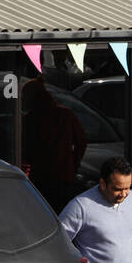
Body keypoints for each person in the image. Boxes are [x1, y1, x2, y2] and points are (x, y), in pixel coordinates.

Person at [58, 156, 132, 263]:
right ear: (103, 184)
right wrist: (78, 259)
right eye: (117, 189)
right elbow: (58, 241)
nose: (124, 194)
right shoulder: (80, 206)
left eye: (127, 188)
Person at [22, 78, 87, 212]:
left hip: (40, 176)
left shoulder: (30, 119)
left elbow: (26, 149)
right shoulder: (65, 115)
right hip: (62, 176)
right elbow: (81, 142)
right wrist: (72, 164)